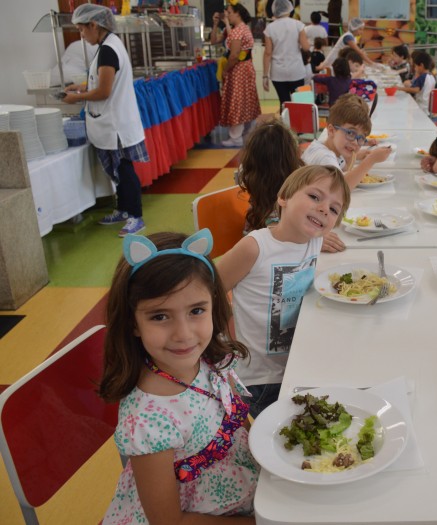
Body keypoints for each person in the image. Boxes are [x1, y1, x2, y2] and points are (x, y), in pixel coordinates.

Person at [99, 229, 259, 523]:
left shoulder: (210, 358)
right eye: (160, 316)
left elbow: (237, 422)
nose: (183, 335)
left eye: (196, 310)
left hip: (245, 489)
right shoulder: (147, 421)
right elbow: (168, 521)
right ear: (132, 322)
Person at [216, 165, 351, 417]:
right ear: (284, 198)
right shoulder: (255, 247)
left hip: (299, 364)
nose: (324, 209)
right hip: (259, 378)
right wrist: (227, 337)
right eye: (314, 197)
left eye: (333, 209)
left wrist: (320, 237)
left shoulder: (314, 240)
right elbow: (210, 290)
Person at [64, 4, 148, 237]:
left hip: (116, 124)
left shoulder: (108, 50)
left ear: (94, 25)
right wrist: (81, 86)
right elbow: (99, 81)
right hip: (113, 122)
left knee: (124, 169)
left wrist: (76, 97)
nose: (81, 35)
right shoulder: (108, 45)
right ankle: (123, 210)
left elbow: (103, 91)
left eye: (82, 29)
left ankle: (136, 216)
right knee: (119, 171)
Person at [236, 121, 346, 252]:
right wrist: (309, 238)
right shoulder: (293, 183)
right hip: (264, 252)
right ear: (293, 156)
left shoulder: (253, 177)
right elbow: (275, 232)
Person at [301, 94, 392, 190]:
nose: (356, 143)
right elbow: (341, 190)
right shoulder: (325, 157)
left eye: (360, 138)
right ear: (331, 130)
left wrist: (360, 154)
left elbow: (345, 167)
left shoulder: (331, 148)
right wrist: (370, 160)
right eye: (350, 133)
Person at [210, 2, 261, 147]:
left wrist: (225, 69)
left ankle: (236, 135)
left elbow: (234, 55)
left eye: (230, 12)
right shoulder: (241, 29)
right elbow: (214, 40)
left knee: (236, 100)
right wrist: (215, 25)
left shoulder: (238, 31)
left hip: (238, 69)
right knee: (245, 99)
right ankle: (244, 130)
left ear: (238, 13)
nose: (228, 15)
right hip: (245, 69)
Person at [263, 0, 310, 107]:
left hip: (278, 73)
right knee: (300, 103)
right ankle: (299, 123)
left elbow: (268, 53)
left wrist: (265, 76)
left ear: (275, 10)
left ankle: (284, 122)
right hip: (296, 71)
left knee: (284, 103)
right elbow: (306, 47)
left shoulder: (270, 28)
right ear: (290, 9)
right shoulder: (298, 25)